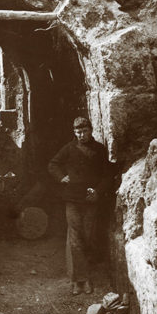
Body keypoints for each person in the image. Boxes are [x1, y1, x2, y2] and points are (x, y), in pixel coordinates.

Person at [48, 117, 112, 295]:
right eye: (78, 132)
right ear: (74, 133)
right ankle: (78, 281)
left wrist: (98, 191)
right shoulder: (69, 148)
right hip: (72, 199)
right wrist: (62, 177)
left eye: (84, 131)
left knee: (88, 236)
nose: (81, 135)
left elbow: (108, 175)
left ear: (90, 130)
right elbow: (53, 164)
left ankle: (87, 276)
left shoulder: (99, 150)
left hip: (90, 200)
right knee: (75, 238)